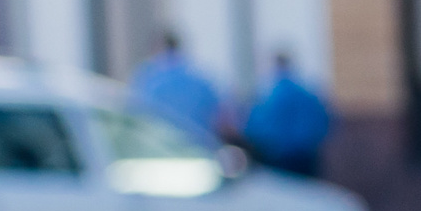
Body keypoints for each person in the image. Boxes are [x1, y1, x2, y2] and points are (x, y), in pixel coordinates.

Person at [242, 50, 332, 178]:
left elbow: (256, 126)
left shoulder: (270, 93)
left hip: (278, 155)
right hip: (307, 154)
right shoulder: (306, 89)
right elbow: (324, 119)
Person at [129, 30, 225, 145]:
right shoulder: (201, 77)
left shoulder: (147, 77)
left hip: (160, 148)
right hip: (199, 148)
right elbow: (222, 118)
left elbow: (134, 114)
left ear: (155, 48)